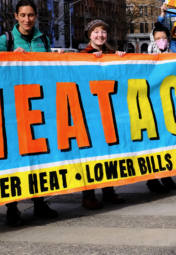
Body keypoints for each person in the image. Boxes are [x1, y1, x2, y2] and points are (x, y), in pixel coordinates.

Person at [0, 0, 59, 225]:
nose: (27, 19)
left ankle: (39, 203)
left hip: (38, 106)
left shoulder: (44, 38)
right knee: (14, 160)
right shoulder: (6, 39)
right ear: (16, 17)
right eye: (23, 15)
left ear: (36, 16)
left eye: (30, 15)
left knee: (38, 157)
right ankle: (11, 209)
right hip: (13, 108)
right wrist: (9, 56)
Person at [79, 19, 127, 209]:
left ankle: (108, 191)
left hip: (110, 110)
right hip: (91, 112)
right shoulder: (82, 55)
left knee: (110, 153)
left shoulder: (112, 54)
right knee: (91, 154)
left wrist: (121, 59)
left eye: (103, 32)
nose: (100, 35)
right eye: (96, 32)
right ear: (89, 35)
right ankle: (88, 195)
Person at [144, 21, 176, 193]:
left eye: (164, 38)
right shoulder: (143, 58)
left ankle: (166, 175)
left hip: (167, 105)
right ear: (153, 39)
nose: (162, 42)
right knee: (152, 144)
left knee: (166, 142)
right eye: (158, 38)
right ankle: (151, 180)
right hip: (150, 106)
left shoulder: (174, 55)